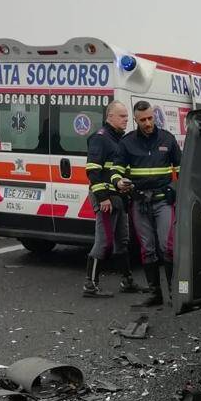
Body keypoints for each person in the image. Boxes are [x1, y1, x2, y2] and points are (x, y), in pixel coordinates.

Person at [113, 100, 181, 306]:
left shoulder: (167, 139)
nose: (148, 123)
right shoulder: (127, 142)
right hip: (139, 203)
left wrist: (174, 189)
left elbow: (182, 168)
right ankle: (155, 294)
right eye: (143, 120)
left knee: (167, 247)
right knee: (148, 249)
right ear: (136, 120)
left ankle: (173, 293)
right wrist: (118, 181)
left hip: (163, 202)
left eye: (150, 118)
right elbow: (116, 169)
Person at [82, 101, 137, 297]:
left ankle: (127, 281)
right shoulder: (100, 139)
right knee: (104, 241)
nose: (126, 120)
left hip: (118, 198)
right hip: (106, 198)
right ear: (110, 117)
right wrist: (103, 197)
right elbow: (93, 171)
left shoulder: (118, 139)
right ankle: (90, 285)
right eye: (122, 116)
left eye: (126, 116)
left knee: (123, 240)